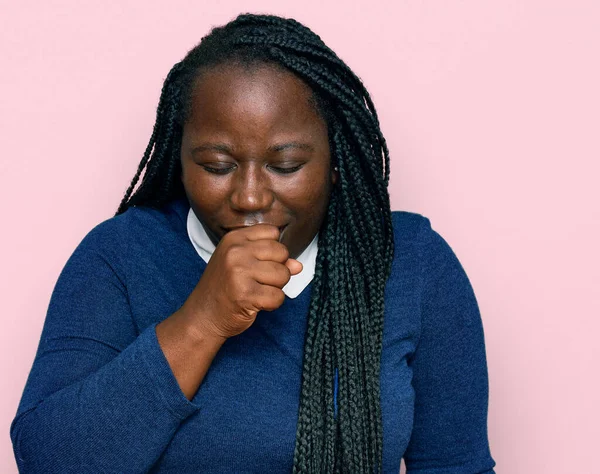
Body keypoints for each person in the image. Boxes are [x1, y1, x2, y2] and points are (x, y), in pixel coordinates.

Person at [10, 13, 496, 474]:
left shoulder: (412, 263)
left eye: (285, 166)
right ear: (179, 158)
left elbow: (456, 464)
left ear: (336, 161)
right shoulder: (118, 256)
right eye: (217, 166)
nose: (249, 197)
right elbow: (48, 459)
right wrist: (203, 319)